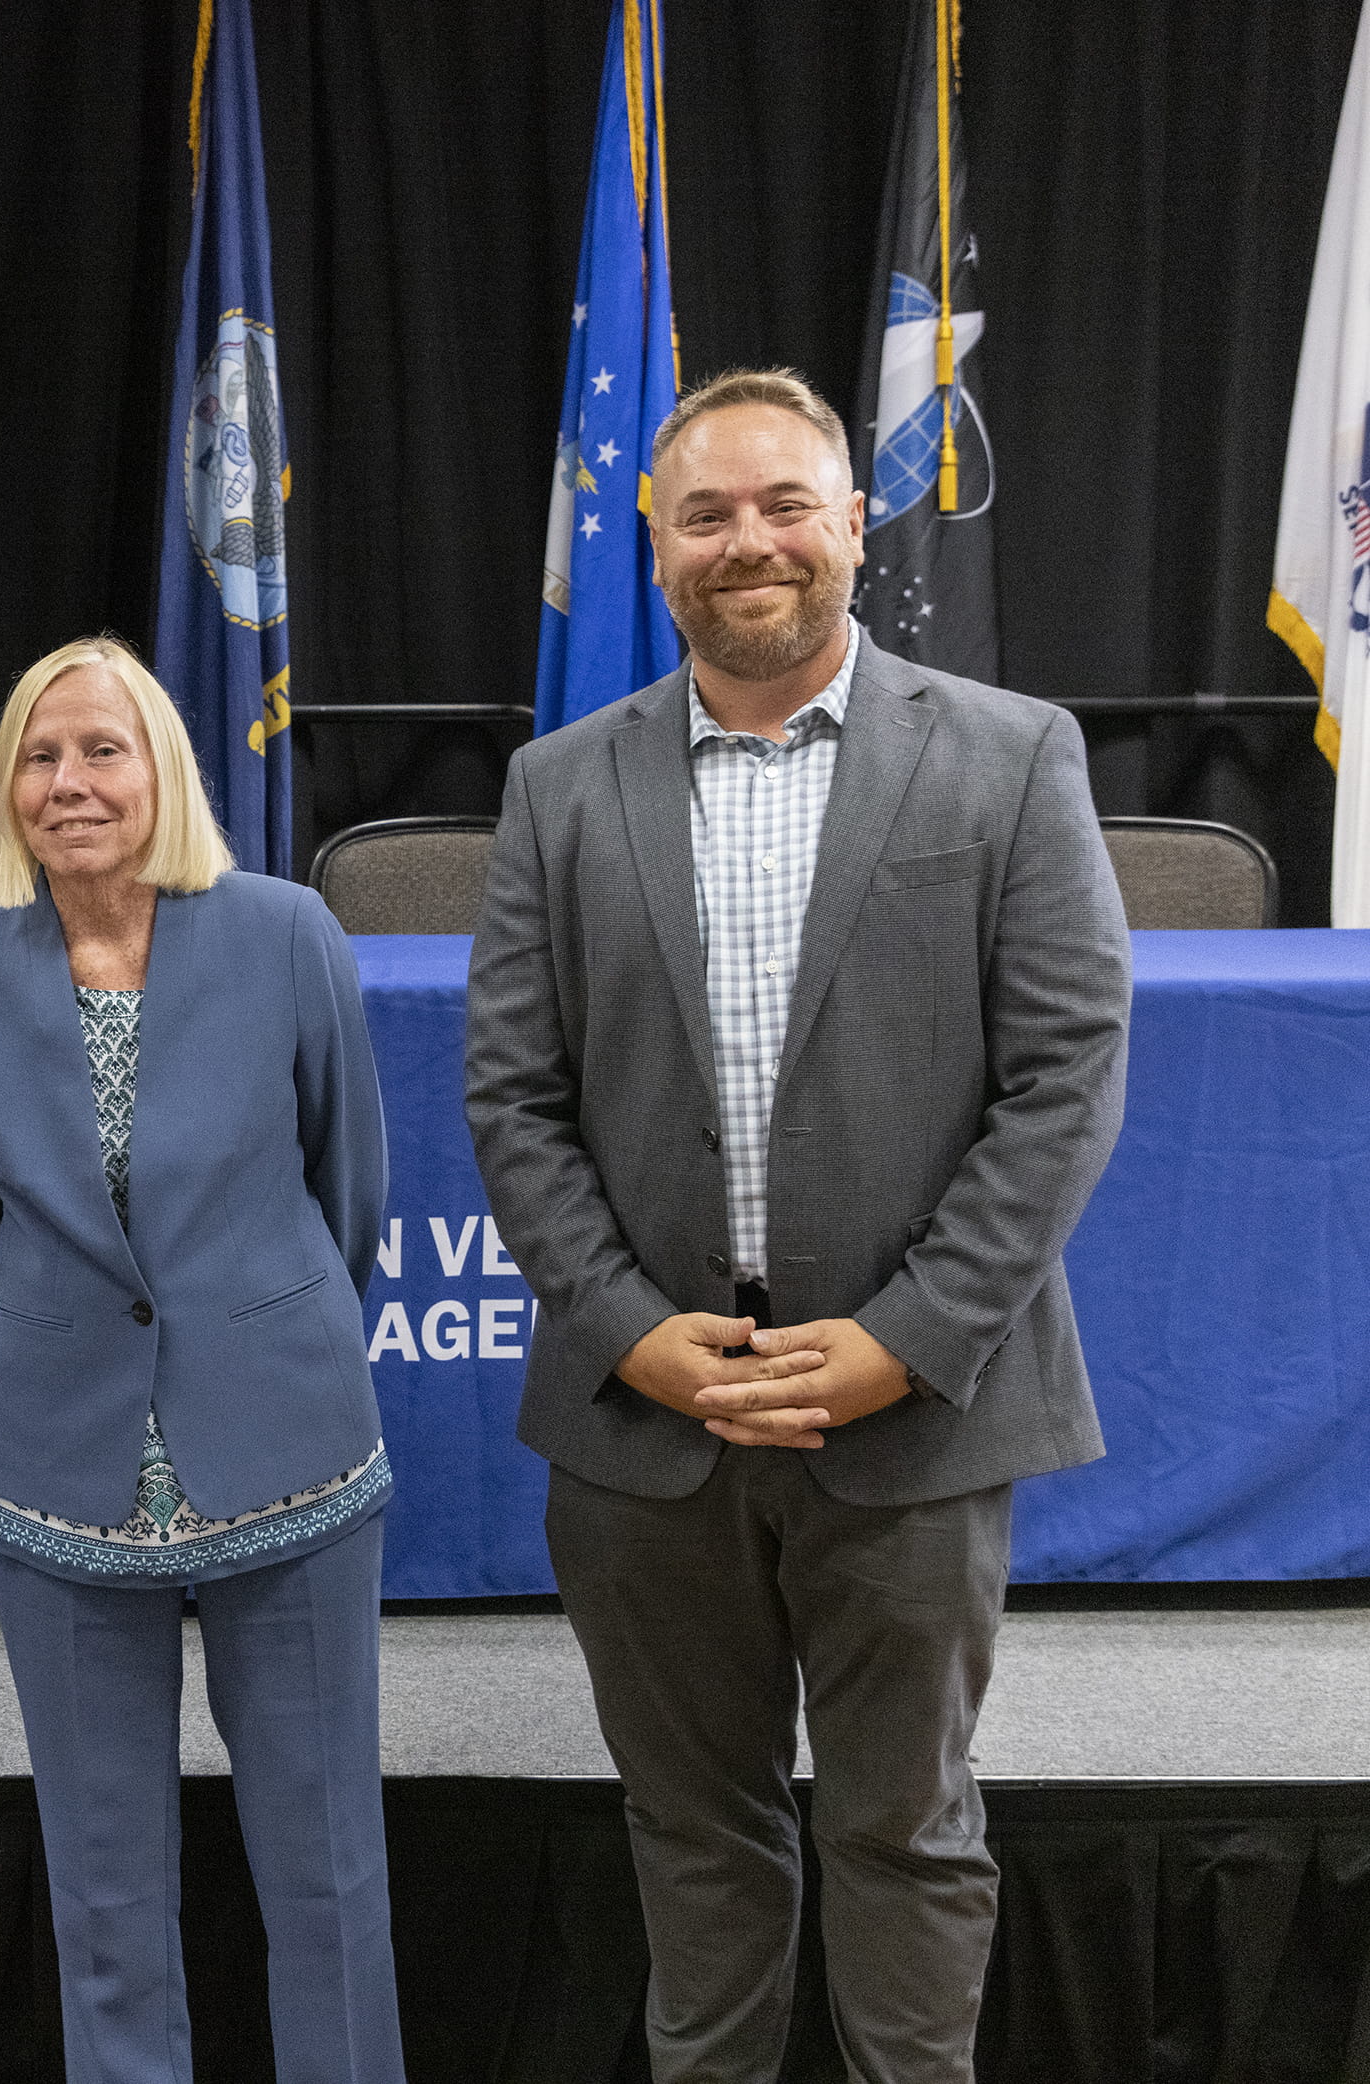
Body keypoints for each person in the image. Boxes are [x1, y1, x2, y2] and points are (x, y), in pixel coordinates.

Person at [464, 367, 1132, 2081]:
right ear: (654, 545)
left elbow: (1064, 1081)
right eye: (707, 512)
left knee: (907, 1829)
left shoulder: (1007, 755)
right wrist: (632, 1330)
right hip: (646, 1419)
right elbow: (514, 1101)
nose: (747, 540)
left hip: (911, 1414)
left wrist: (901, 1341)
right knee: (694, 1834)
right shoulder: (556, 787)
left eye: (782, 504)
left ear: (853, 520)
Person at [0, 636, 406, 2084]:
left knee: (327, 1875)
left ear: (164, 769)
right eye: (40, 756)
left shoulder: (289, 933)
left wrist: (248, 1325)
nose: (69, 782)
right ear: (8, 789)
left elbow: (347, 1187)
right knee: (105, 1894)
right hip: (63, 1476)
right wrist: (84, 1349)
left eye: (101, 749)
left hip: (291, 1449)